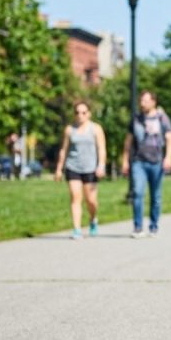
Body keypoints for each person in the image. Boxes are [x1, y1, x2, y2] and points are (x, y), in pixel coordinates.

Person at [121, 90, 171, 238]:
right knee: (138, 192)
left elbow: (170, 138)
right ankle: (138, 227)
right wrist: (125, 160)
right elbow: (128, 141)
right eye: (141, 100)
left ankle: (153, 225)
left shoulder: (162, 118)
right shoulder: (136, 119)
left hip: (157, 161)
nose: (142, 103)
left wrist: (169, 157)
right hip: (139, 160)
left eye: (145, 100)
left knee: (155, 196)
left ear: (153, 102)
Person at [53, 101, 107, 239]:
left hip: (90, 168)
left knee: (91, 200)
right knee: (75, 198)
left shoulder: (96, 129)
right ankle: (77, 229)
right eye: (77, 112)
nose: (80, 115)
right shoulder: (70, 129)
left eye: (83, 112)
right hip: (73, 167)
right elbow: (63, 150)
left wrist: (101, 165)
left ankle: (93, 219)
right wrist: (59, 168)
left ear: (89, 113)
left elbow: (101, 148)